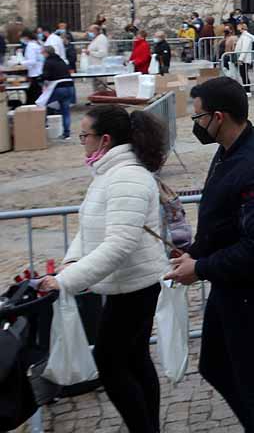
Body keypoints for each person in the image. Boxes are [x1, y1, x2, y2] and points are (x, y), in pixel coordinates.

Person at [166, 78, 254, 432]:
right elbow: (224, 217)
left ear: (219, 117)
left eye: (198, 117)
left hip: (251, 292)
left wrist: (201, 267)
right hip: (228, 285)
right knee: (215, 365)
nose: (195, 124)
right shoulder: (229, 151)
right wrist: (194, 252)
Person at [39, 106, 169, 433]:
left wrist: (66, 281)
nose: (81, 141)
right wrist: (72, 260)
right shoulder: (108, 171)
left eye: (85, 136)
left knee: (112, 365)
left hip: (134, 286)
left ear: (105, 139)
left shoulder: (127, 176)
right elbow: (90, 226)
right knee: (134, 358)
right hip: (122, 284)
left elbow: (119, 243)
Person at [39, 45, 76, 138]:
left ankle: (40, 127)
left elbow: (46, 75)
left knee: (42, 104)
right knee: (65, 111)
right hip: (70, 86)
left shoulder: (48, 62)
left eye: (42, 52)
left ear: (46, 53)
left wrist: (40, 78)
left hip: (59, 87)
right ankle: (66, 133)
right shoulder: (61, 60)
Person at [19, 29, 46, 106]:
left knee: (33, 95)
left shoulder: (30, 46)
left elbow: (32, 61)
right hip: (40, 71)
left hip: (35, 73)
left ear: (26, 37)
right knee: (35, 94)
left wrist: (20, 63)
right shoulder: (38, 43)